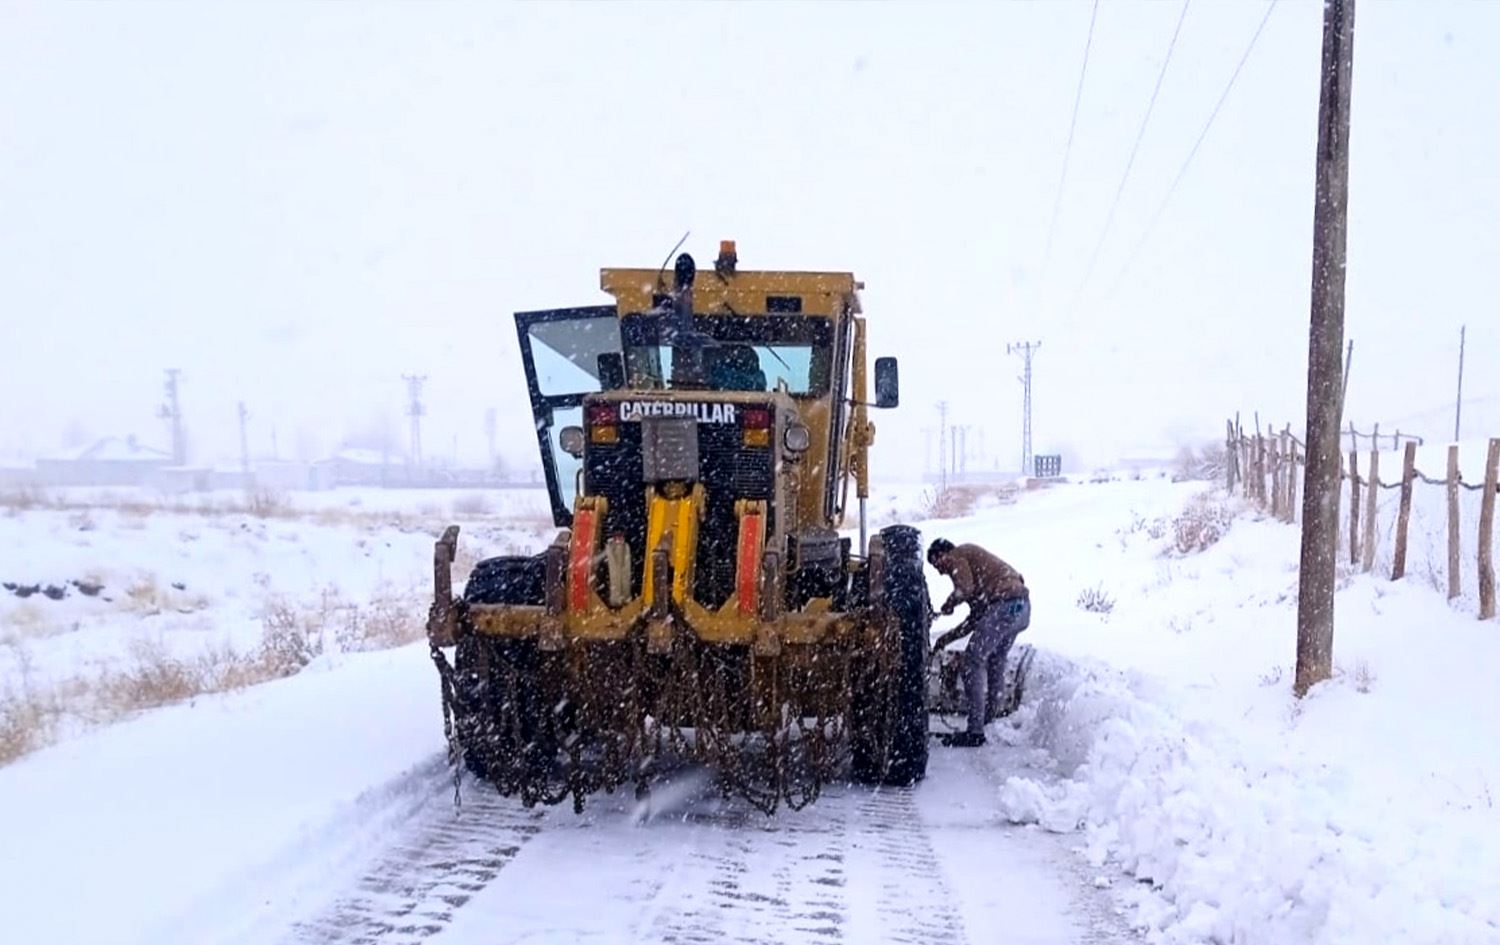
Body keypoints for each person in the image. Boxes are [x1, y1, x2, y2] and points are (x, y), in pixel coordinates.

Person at [926, 538, 1030, 747]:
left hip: (1005, 605)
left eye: (937, 564)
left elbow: (964, 589)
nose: (940, 572)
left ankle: (975, 731)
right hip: (1021, 608)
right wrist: (946, 639)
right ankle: (990, 720)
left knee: (972, 660)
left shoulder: (958, 554)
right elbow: (975, 621)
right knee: (995, 660)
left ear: (942, 554)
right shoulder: (983, 580)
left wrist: (950, 602)